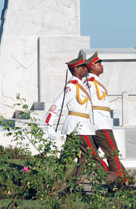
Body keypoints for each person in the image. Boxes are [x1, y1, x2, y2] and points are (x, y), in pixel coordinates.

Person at [44, 53, 118, 189]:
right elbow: (56, 105)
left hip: (82, 126)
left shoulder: (80, 85)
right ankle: (111, 180)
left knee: (68, 159)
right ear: (76, 70)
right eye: (82, 67)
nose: (86, 68)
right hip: (78, 127)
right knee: (92, 156)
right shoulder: (72, 86)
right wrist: (49, 125)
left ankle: (60, 187)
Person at [85, 52, 127, 185]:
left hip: (102, 121)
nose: (102, 66)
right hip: (100, 123)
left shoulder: (95, 81)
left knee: (91, 157)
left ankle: (119, 180)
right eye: (99, 64)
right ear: (92, 67)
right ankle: (118, 182)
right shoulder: (89, 83)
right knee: (112, 154)